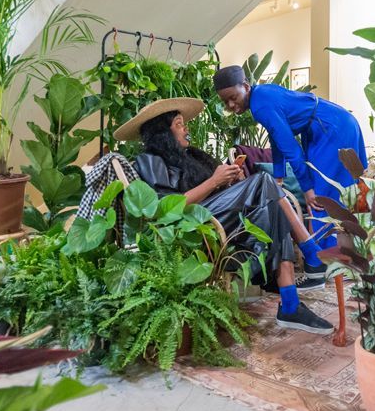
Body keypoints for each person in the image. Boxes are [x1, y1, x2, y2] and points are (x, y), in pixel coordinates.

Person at [113, 97, 333, 334]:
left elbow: (216, 193)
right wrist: (214, 180)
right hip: (193, 228)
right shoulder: (150, 161)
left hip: (218, 217)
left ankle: (291, 304)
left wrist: (232, 182)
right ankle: (310, 257)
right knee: (264, 181)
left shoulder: (192, 157)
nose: (186, 128)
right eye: (179, 124)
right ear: (162, 131)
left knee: (271, 202)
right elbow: (167, 208)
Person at [212, 66, 368, 253]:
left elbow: (292, 150)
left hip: (331, 128)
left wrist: (308, 190)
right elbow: (277, 138)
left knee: (322, 199)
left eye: (233, 97)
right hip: (328, 124)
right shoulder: (261, 94)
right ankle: (343, 259)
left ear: (245, 86)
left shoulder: (260, 104)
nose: (230, 105)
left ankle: (328, 264)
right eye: (225, 101)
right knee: (332, 197)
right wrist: (279, 176)